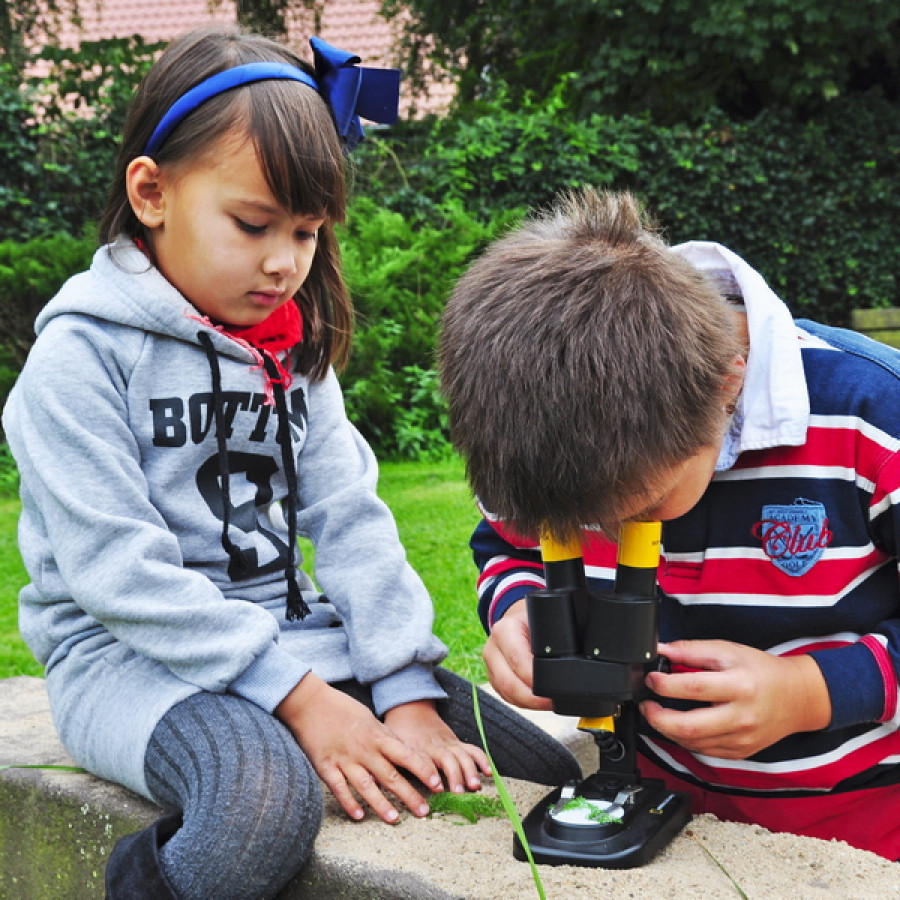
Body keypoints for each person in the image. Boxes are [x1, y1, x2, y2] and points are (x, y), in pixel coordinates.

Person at [2, 27, 580, 900]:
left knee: (541, 768)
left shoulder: (291, 352)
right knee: (264, 804)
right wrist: (307, 702)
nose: (285, 262)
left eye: (307, 233)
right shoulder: (76, 363)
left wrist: (403, 685)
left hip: (289, 640)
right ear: (152, 193)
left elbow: (352, 519)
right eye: (253, 224)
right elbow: (118, 577)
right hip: (130, 663)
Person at [438, 187, 900, 860]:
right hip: (667, 817)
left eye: (637, 508)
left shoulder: (873, 414)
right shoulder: (536, 429)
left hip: (867, 830)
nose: (606, 533)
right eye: (576, 525)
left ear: (725, 388)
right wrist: (515, 609)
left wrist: (814, 692)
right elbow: (504, 547)